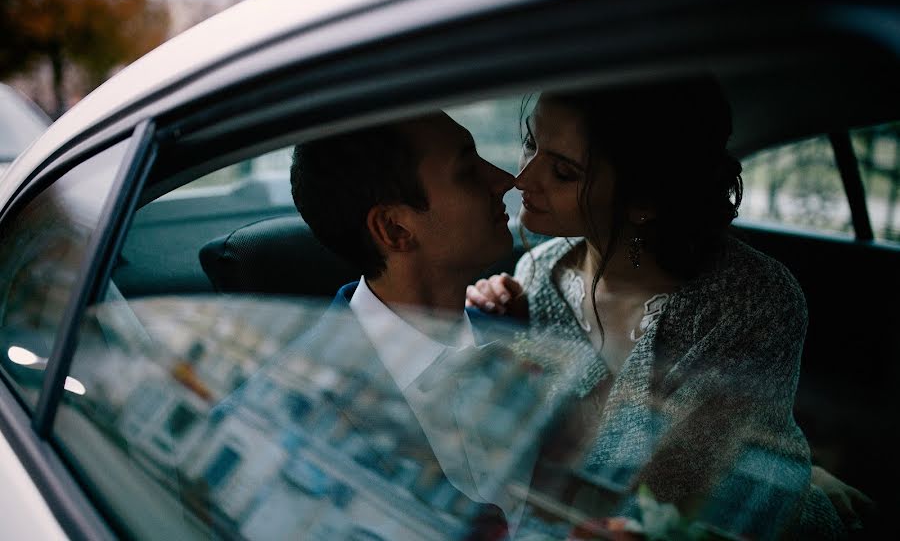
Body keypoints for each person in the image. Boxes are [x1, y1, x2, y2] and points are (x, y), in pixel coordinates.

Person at [465, 76, 859, 539]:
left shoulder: (751, 301)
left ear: (644, 200)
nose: (522, 178)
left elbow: (671, 495)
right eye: (530, 144)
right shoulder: (535, 274)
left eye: (564, 172)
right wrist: (506, 343)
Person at [283, 112, 584, 539]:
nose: (504, 180)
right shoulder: (291, 407)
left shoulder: (512, 330)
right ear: (395, 228)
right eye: (466, 171)